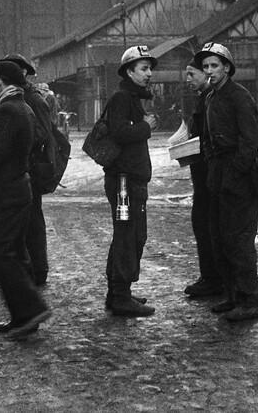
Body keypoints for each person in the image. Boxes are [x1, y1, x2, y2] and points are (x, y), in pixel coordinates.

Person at [0, 60, 51, 338]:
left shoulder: (6, 109)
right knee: (15, 253)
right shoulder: (23, 106)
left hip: (4, 191)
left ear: (0, 81)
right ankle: (24, 314)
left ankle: (30, 310)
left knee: (2, 254)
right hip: (19, 188)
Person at [193, 42, 258, 322]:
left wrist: (234, 172)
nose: (210, 71)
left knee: (239, 240)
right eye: (206, 66)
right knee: (219, 236)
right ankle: (233, 297)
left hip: (239, 174)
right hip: (218, 170)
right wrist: (213, 167)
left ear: (227, 68)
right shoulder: (211, 97)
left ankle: (250, 301)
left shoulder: (238, 96)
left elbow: (251, 141)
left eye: (215, 65)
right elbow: (208, 139)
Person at [103, 46, 158, 317]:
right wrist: (146, 126)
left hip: (129, 179)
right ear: (129, 71)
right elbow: (120, 132)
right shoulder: (122, 98)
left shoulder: (129, 96)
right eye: (143, 69)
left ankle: (117, 292)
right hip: (124, 182)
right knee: (129, 236)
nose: (149, 74)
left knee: (130, 234)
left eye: (150, 68)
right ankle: (121, 296)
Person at [183, 60, 224, 297]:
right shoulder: (205, 97)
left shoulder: (210, 99)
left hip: (208, 176)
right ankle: (210, 276)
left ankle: (213, 278)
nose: (188, 79)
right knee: (203, 224)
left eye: (191, 74)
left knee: (206, 224)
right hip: (203, 175)